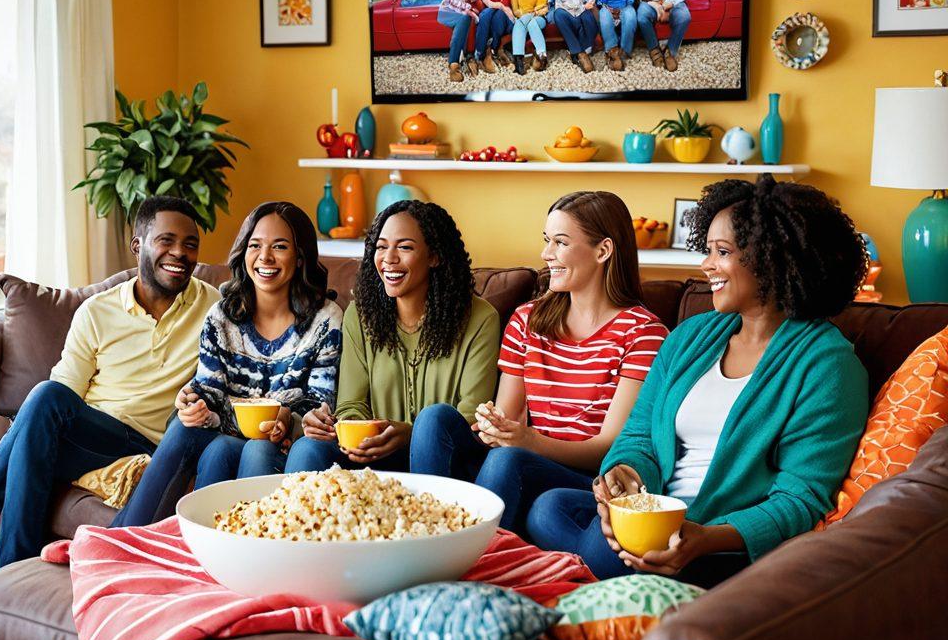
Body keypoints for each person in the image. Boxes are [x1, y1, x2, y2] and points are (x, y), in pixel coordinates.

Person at [527, 175, 870, 588]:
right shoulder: (692, 336)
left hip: (721, 542)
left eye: (721, 252)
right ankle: (596, 574)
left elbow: (799, 499)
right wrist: (626, 475)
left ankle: (580, 578)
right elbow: (638, 436)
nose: (706, 265)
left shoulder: (827, 365)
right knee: (549, 508)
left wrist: (703, 539)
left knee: (593, 541)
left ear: (773, 259)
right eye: (707, 250)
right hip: (655, 516)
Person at [0, 197, 220, 592]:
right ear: (137, 246)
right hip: (90, 434)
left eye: (190, 244)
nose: (180, 253)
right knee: (44, 406)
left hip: (148, 444)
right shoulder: (98, 311)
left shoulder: (213, 308)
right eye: (166, 240)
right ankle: (10, 573)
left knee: (23, 440)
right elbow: (62, 392)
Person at [411, 191, 668, 533]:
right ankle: (420, 537)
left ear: (603, 250)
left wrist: (527, 442)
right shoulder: (527, 319)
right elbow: (508, 415)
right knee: (435, 419)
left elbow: (610, 448)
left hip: (581, 477)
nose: (546, 254)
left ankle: (468, 557)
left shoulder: (644, 333)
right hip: (517, 459)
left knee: (508, 460)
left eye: (560, 243)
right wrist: (494, 427)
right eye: (547, 240)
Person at [112, 201, 342, 527]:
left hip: (284, 439)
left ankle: (239, 556)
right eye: (255, 245)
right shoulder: (222, 316)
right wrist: (193, 402)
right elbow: (209, 389)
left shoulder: (325, 318)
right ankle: (123, 538)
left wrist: (288, 418)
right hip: (227, 429)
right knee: (184, 425)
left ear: (300, 256)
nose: (265, 257)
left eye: (279, 247)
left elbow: (321, 401)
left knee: (251, 450)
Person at [286, 200, 500, 473]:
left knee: (434, 419)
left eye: (405, 247)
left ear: (434, 256)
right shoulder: (361, 315)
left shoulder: (481, 319)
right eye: (381, 246)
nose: (388, 258)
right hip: (376, 456)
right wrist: (341, 427)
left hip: (449, 458)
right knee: (308, 448)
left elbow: (471, 419)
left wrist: (410, 434)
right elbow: (352, 404)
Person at [438, 0, 483, 83]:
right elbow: (448, 0)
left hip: (461, 14)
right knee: (465, 17)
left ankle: (456, 63)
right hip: (446, 11)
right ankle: (454, 65)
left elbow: (476, 2)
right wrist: (468, 9)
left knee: (465, 18)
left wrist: (470, 10)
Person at [551, 0, 598, 73]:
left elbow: (590, 3)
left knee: (589, 16)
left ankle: (574, 52)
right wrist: (580, 7)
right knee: (558, 14)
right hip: (568, 18)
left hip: (583, 16)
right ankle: (580, 53)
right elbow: (559, 5)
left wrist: (579, 8)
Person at [510, 0, 550, 76]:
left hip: (539, 17)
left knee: (530, 22)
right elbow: (515, 8)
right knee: (521, 23)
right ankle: (526, 59)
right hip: (522, 17)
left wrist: (533, 13)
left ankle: (526, 59)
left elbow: (543, 4)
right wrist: (523, 15)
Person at [475, 0, 515, 73]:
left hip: (508, 15)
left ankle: (492, 48)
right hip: (492, 8)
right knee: (485, 15)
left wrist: (505, 9)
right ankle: (480, 51)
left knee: (498, 16)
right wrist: (500, 5)